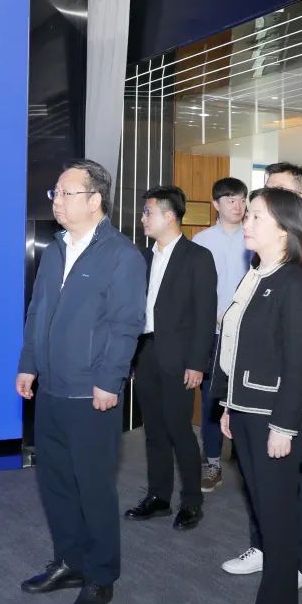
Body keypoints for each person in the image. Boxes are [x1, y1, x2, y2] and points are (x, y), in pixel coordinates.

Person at [16, 159, 146, 604]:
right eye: (55, 192)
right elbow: (37, 311)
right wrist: (28, 364)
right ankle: (69, 561)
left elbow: (127, 324)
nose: (56, 200)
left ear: (95, 200)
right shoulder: (54, 250)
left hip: (92, 394)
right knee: (55, 484)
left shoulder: (122, 256)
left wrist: (110, 381)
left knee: (93, 489)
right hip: (51, 389)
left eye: (66, 192)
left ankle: (101, 576)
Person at [221, 162, 302, 590]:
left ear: (300, 203)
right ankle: (265, 547)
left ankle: (297, 561)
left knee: (295, 479)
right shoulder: (261, 260)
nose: (262, 202)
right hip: (256, 391)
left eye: (277, 193)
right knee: (262, 482)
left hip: (295, 387)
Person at [212, 187, 302, 604]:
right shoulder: (257, 275)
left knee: (276, 523)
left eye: (256, 216)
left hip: (276, 420)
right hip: (248, 412)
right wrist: (229, 406)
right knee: (266, 513)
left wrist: (284, 426)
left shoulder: (297, 285)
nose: (247, 221)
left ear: (283, 228)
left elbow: (300, 364)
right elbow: (237, 349)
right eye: (248, 214)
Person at [124, 185, 217, 530]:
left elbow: (205, 315)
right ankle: (158, 497)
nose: (143, 218)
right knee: (153, 431)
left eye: (148, 212)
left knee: (179, 430)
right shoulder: (143, 257)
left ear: (169, 216)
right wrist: (132, 357)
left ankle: (192, 501)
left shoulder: (197, 257)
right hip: (146, 352)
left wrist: (197, 363)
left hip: (180, 359)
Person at [193, 177, 252, 492]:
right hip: (214, 334)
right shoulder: (202, 241)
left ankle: (246, 459)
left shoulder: (254, 237)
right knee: (212, 401)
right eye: (230, 199)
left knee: (246, 399)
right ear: (216, 203)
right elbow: (196, 291)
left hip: (248, 336)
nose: (237, 206)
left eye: (242, 199)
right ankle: (212, 462)